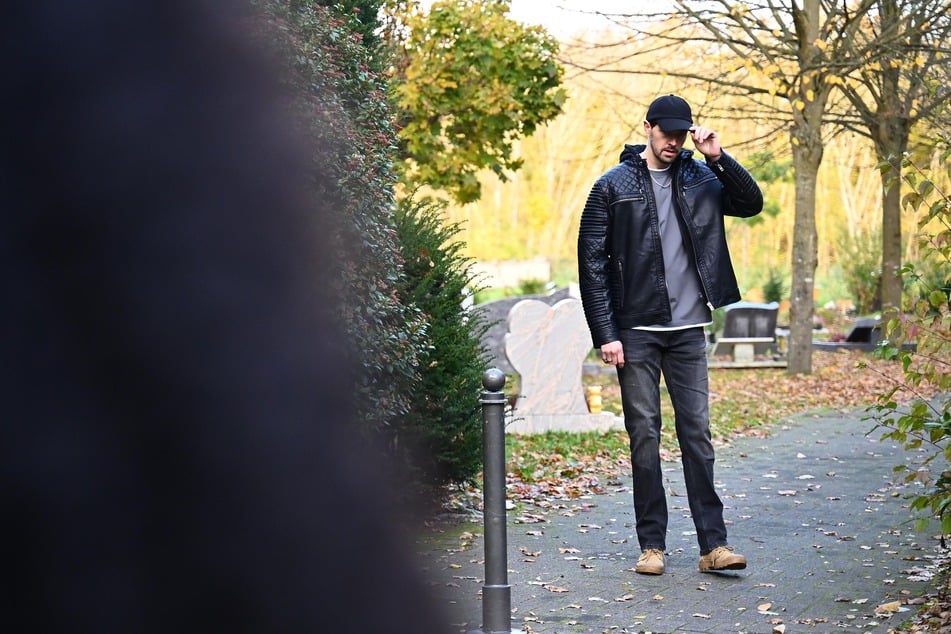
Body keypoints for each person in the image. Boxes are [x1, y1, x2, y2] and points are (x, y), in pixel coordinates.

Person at [577, 94, 763, 575]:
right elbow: (592, 265)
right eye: (666, 134)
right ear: (648, 128)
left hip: (687, 330)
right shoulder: (611, 186)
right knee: (644, 436)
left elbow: (750, 204)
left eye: (681, 135)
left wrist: (718, 158)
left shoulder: (702, 176)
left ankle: (713, 547)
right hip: (635, 332)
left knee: (697, 434)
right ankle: (652, 547)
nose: (674, 142)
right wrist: (606, 332)